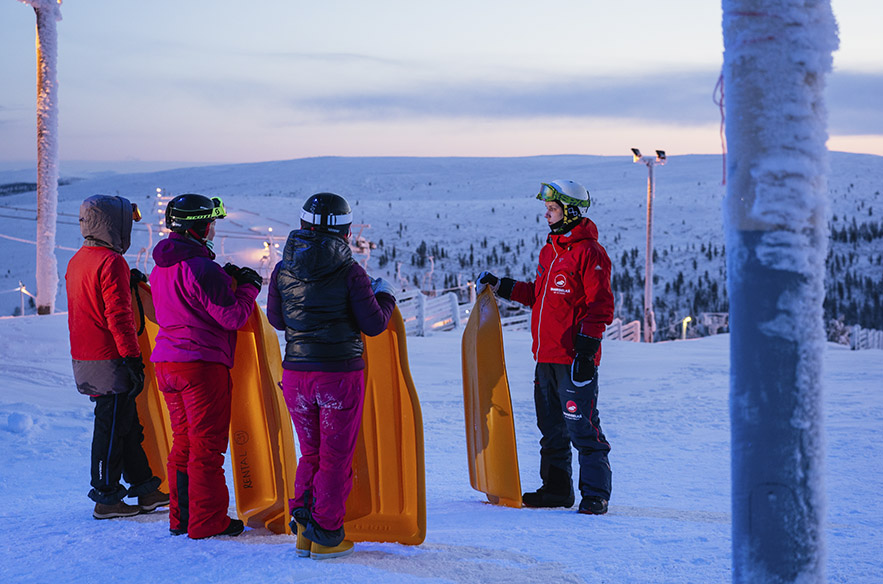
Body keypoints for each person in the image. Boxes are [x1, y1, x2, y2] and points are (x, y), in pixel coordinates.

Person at [266, 192, 396, 560]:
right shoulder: (351, 272)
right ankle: (326, 535)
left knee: (311, 453)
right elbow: (373, 325)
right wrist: (384, 295)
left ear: (303, 225)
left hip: (296, 375)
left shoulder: (282, 268)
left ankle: (304, 528)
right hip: (338, 376)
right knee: (336, 458)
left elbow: (276, 319)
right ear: (345, 231)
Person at [478, 179, 614, 515]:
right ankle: (556, 489)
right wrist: (502, 286)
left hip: (572, 359)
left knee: (581, 425)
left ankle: (595, 493)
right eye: (546, 209)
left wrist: (586, 350)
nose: (546, 215)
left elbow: (601, 305)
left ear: (569, 211)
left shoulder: (589, 253)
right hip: (545, 357)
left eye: (551, 209)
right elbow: (538, 296)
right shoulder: (549, 251)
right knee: (550, 429)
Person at [149, 193, 262, 539]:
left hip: (167, 363)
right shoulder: (201, 268)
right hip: (199, 366)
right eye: (211, 222)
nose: (214, 228)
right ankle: (208, 521)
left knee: (183, 442)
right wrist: (248, 288)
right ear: (199, 227)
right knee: (207, 447)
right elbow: (231, 316)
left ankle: (181, 518)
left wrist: (225, 280)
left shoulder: (161, 267)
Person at [66, 194, 170, 520]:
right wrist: (132, 358)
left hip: (86, 356)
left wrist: (130, 280)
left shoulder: (80, 259)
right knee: (111, 428)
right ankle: (106, 495)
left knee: (126, 424)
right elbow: (119, 316)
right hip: (109, 358)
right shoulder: (111, 262)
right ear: (115, 225)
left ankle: (144, 488)